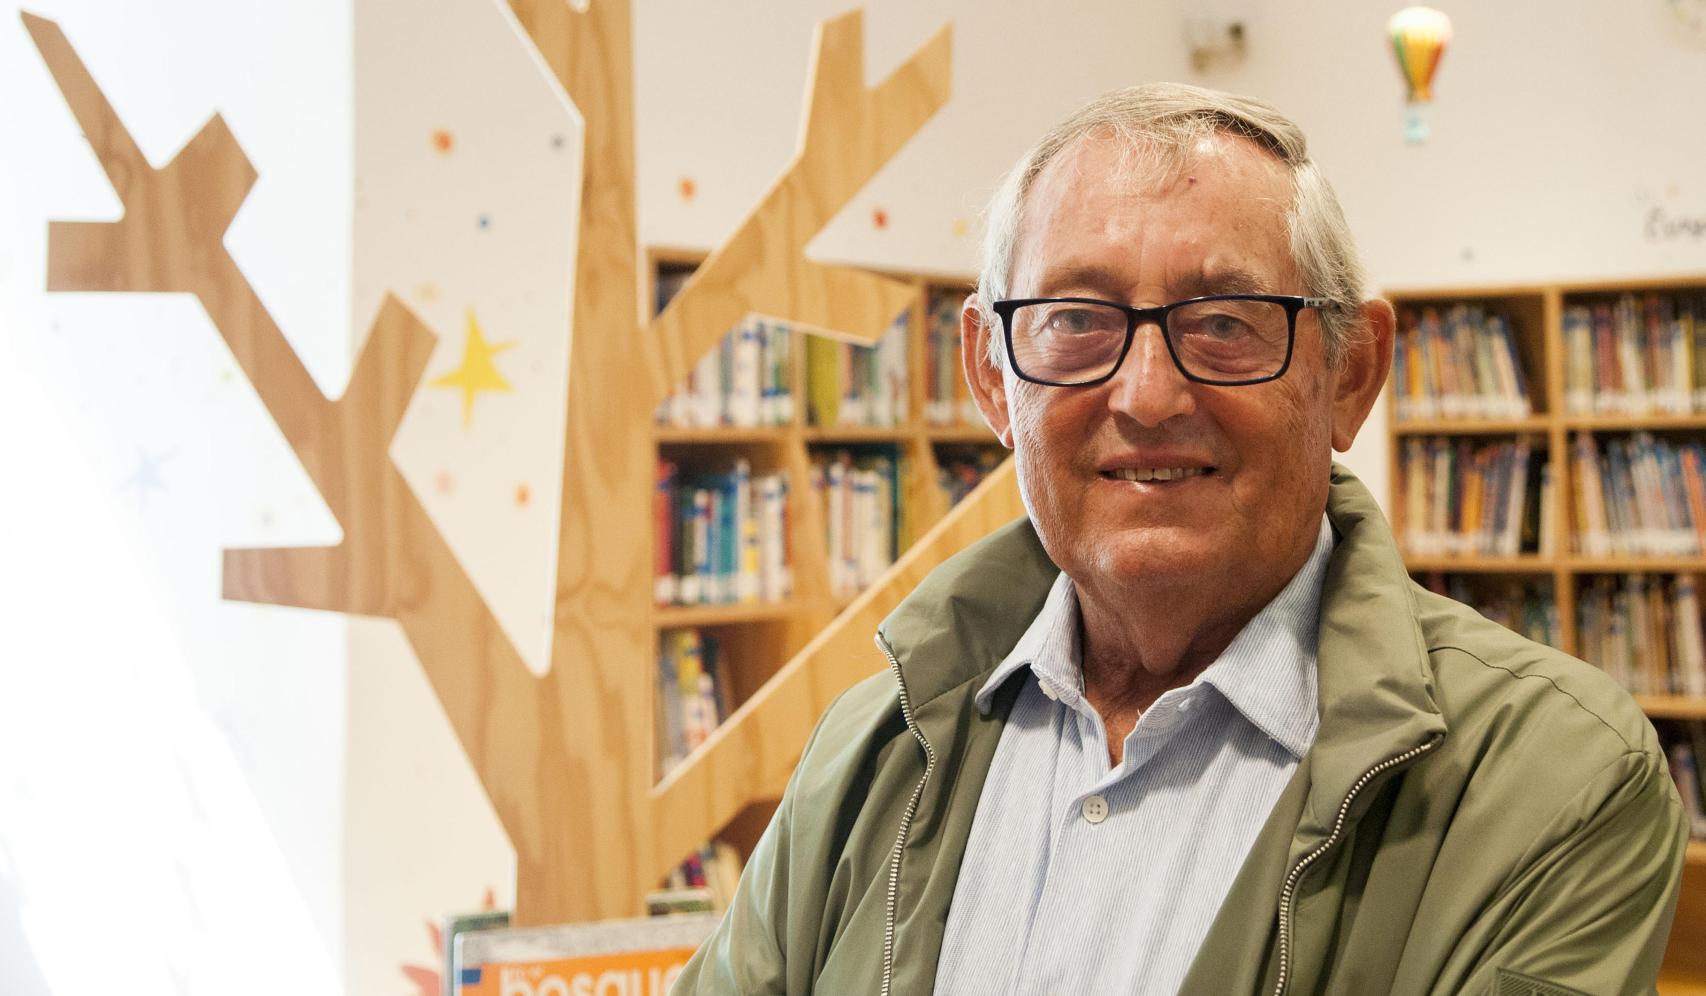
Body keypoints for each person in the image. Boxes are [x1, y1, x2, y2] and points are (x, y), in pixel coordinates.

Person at [673, 83, 1687, 995]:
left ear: (1349, 374)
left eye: (1224, 323)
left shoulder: (1553, 782)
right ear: (991, 376)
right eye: (1075, 321)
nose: (1147, 396)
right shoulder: (870, 750)